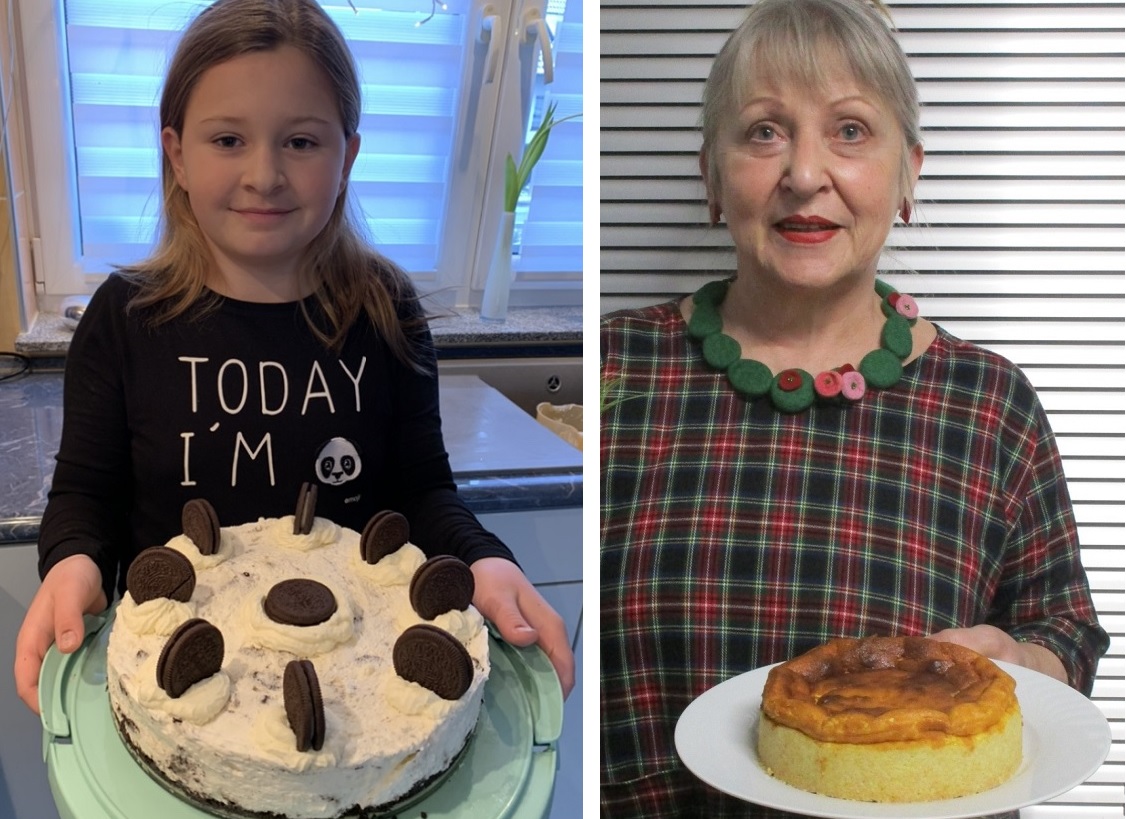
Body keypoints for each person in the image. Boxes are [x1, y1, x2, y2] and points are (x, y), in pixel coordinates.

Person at [599, 0, 1108, 816]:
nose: (804, 173)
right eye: (764, 131)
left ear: (908, 173)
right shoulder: (617, 371)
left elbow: (1068, 629)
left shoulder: (991, 406)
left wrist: (1021, 661)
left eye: (850, 131)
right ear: (711, 175)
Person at [14, 0, 573, 715]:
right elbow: (85, 498)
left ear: (348, 156)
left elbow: (425, 489)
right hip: (177, 690)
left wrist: (485, 556)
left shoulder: (384, 309)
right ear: (177, 154)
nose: (264, 174)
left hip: (358, 697)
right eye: (227, 140)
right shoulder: (126, 318)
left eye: (302, 142)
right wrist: (71, 563)